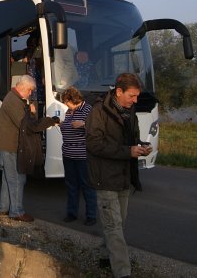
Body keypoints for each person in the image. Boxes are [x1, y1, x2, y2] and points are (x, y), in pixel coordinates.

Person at [86, 73, 152, 278]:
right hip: (105, 178)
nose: (136, 100)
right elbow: (93, 144)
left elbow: (132, 139)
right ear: (119, 92)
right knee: (113, 226)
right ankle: (123, 272)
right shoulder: (98, 111)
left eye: (137, 96)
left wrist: (141, 146)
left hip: (124, 176)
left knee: (118, 223)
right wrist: (127, 151)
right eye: (132, 96)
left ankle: (105, 256)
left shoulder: (130, 111)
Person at [0, 75, 59, 222]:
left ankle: (4, 209)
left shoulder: (14, 98)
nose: (31, 93)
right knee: (18, 178)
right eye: (30, 90)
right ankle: (16, 212)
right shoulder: (13, 101)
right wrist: (34, 113)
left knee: (7, 178)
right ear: (23, 87)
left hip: (7, 144)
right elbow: (27, 125)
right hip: (10, 145)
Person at [59, 86, 96, 225]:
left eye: (66, 102)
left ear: (72, 99)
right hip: (68, 155)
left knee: (87, 186)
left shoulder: (88, 109)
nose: (65, 105)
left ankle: (91, 216)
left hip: (82, 156)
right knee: (71, 186)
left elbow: (96, 128)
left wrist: (84, 124)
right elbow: (68, 126)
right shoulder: (69, 112)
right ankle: (71, 213)